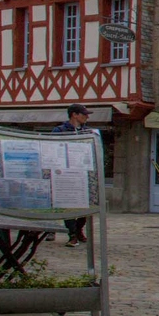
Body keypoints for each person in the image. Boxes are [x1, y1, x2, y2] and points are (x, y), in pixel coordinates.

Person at [52, 104, 94, 246]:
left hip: (83, 173)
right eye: (84, 114)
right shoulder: (59, 130)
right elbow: (53, 149)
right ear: (74, 115)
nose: (87, 117)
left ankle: (78, 230)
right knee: (68, 205)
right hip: (65, 173)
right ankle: (72, 234)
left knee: (88, 206)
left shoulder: (87, 131)